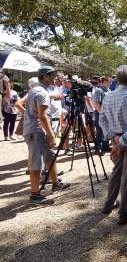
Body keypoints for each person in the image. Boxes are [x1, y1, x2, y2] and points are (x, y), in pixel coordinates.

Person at [99, 65, 127, 225]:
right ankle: (124, 213)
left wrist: (114, 137)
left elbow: (101, 119)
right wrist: (122, 142)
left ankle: (108, 204)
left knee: (117, 172)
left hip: (117, 137)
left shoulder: (108, 96)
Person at [24, 66, 70, 205]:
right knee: (37, 164)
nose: (55, 78)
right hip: (37, 131)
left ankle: (56, 183)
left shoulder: (37, 90)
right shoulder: (41, 92)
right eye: (53, 75)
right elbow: (42, 116)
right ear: (44, 76)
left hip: (36, 130)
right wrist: (51, 135)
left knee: (50, 156)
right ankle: (34, 195)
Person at [93, 76, 111, 155]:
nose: (110, 83)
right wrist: (101, 113)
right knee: (100, 131)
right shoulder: (99, 91)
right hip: (101, 114)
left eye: (111, 82)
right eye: (109, 82)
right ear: (104, 81)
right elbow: (97, 103)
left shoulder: (109, 91)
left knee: (107, 130)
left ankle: (105, 146)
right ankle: (98, 148)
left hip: (108, 114)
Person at [47, 76, 63, 140]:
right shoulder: (46, 88)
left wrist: (60, 97)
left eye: (57, 79)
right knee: (50, 131)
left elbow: (60, 97)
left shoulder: (57, 88)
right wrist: (52, 96)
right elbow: (44, 95)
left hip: (57, 112)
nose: (56, 81)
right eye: (55, 79)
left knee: (55, 130)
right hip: (50, 113)